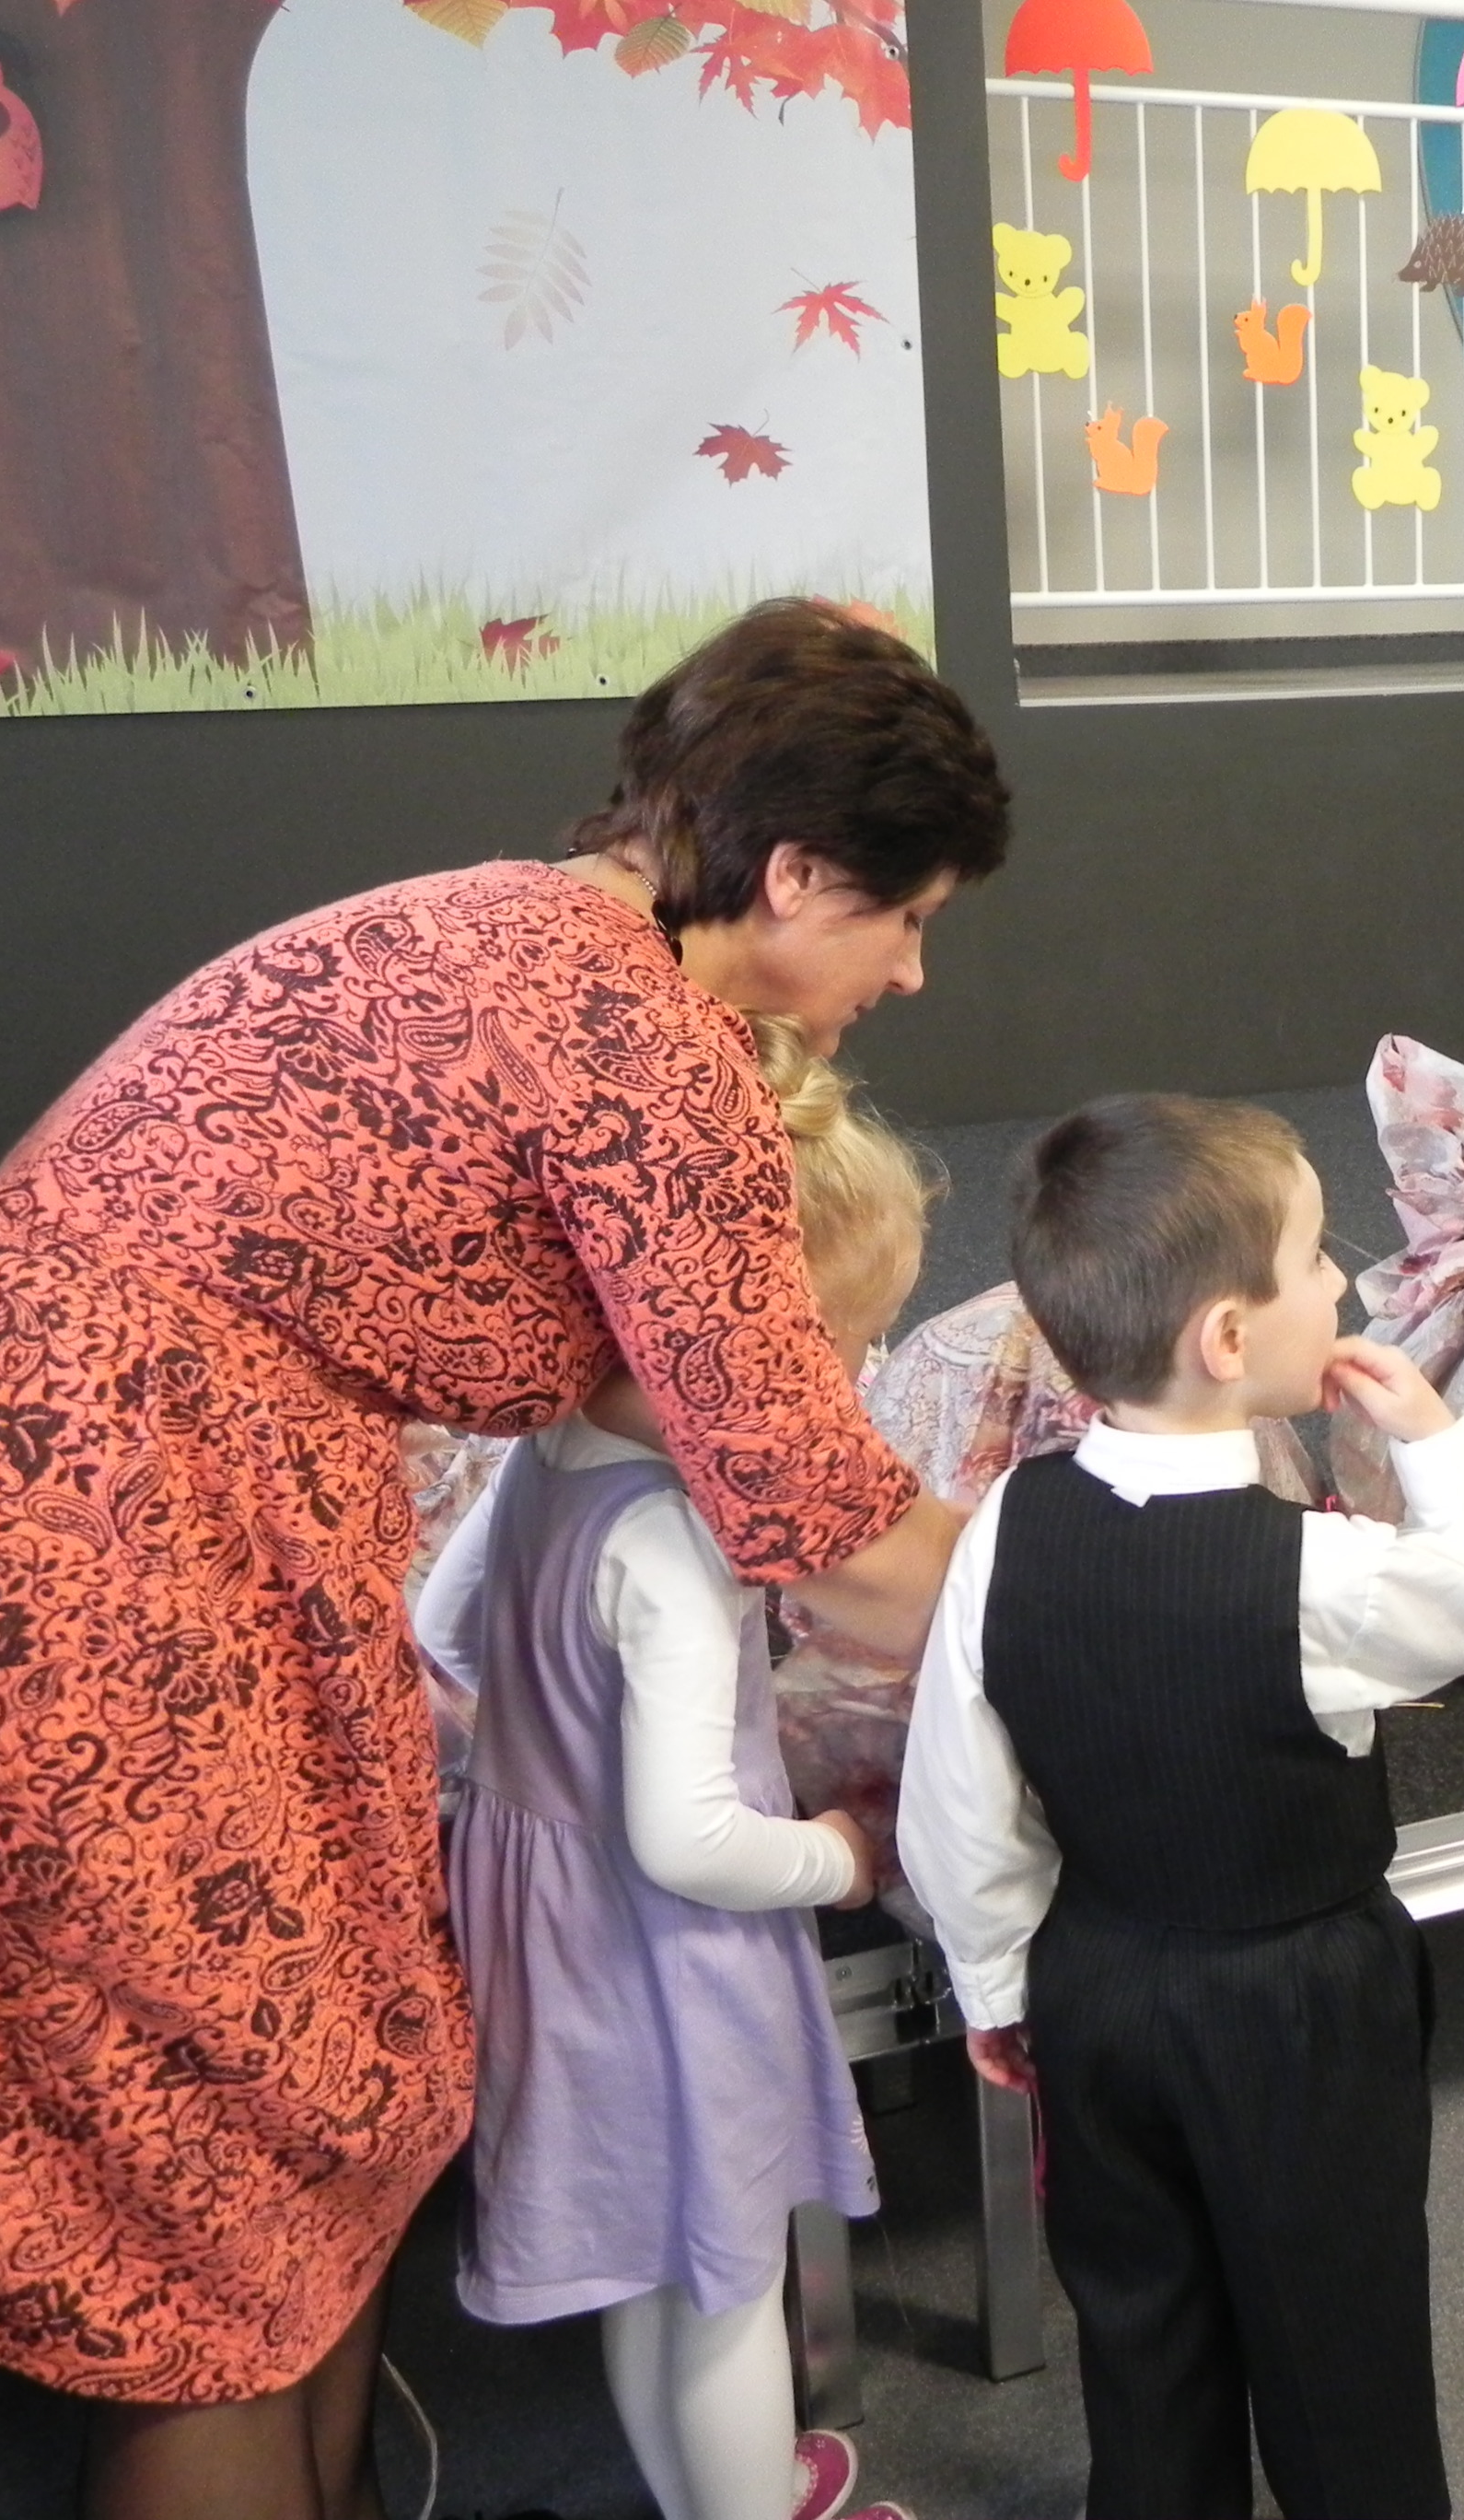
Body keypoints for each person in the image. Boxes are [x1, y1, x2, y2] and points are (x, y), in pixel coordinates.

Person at [0, 600, 1007, 2520]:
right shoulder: (651, 1043)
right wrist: (1088, 1612)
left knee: (317, 2107)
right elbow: (813, 1510)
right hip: (94, 1553)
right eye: (909, 917)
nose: (914, 971)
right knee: (227, 2179)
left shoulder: (490, 925)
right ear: (796, 872)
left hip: (6, 1508)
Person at [899, 1097, 1464, 2520]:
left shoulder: (1011, 1520)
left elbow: (956, 1797)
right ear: (1226, 1337)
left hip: (1098, 1981)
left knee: (1142, 2331)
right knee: (1338, 2334)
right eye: (1315, 1257)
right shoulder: (1323, 1577)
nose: (1343, 1282)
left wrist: (1001, 1988)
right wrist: (1435, 1440)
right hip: (1295, 2005)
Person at [417, 1017, 933, 2520]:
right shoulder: (675, 1538)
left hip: (547, 1934)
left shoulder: (545, 1453)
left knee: (646, 2265)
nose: (846, 1394)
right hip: (671, 1960)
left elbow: (441, 1630)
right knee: (726, 2275)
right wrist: (844, 1853)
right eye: (843, 1356)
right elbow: (690, 1839)